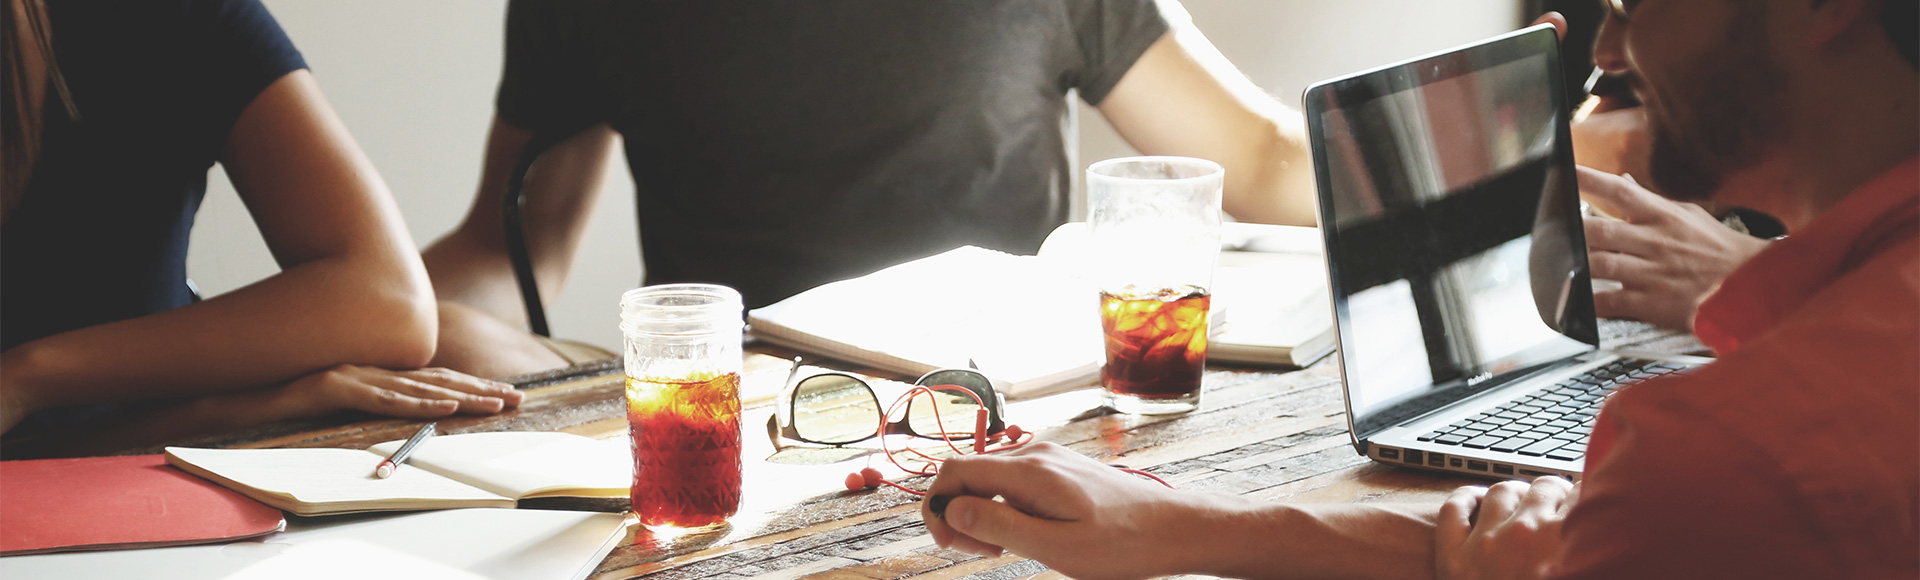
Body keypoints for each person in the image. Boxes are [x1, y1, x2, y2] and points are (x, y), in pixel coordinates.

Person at [918, 0, 1919, 578]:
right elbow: (1599, 538)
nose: (1608, 53)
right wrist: (1192, 525)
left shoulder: (1726, 459)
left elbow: (1670, 515)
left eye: (1637, 0)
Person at [421, 0, 1319, 378]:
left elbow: (1256, 160)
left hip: (1002, 419)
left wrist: (1405, 168)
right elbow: (509, 248)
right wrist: (392, 318)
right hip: (743, 426)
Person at [0, 0, 521, 441]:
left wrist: (30, 377)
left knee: (470, 346)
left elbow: (388, 299)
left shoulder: (170, 14)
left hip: (143, 419)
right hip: (86, 450)